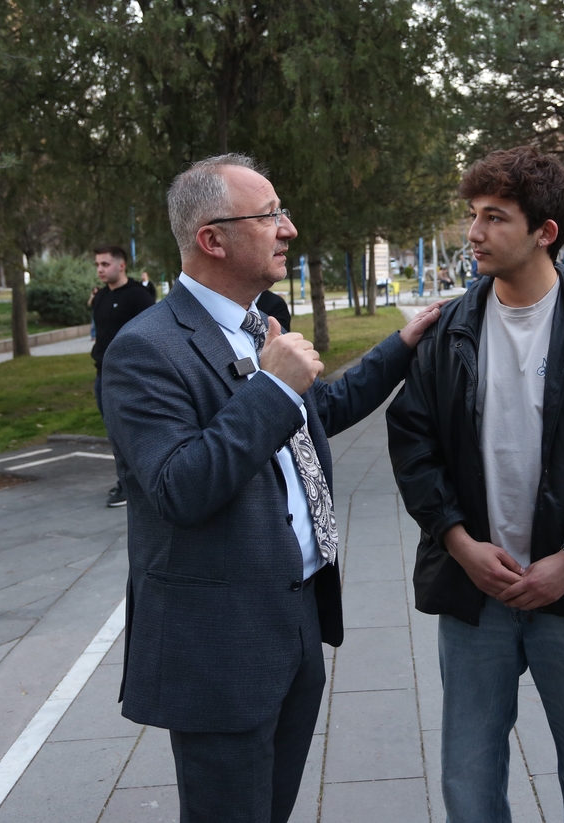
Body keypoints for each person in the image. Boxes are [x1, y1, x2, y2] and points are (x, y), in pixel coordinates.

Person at [101, 153, 442, 823]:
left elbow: (321, 410)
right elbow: (181, 486)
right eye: (270, 215)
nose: (287, 228)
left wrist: (401, 346)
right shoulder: (146, 348)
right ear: (213, 239)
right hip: (220, 649)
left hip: (293, 625)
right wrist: (274, 385)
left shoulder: (262, 326)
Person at [387, 146, 564, 823]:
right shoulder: (450, 330)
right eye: (471, 217)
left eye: (494, 218)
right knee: (469, 772)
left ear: (546, 232)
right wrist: (458, 542)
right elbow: (413, 442)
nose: (474, 234)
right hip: (474, 591)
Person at [91, 245, 155, 507]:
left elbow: (151, 335)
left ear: (121, 265)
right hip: (102, 375)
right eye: (97, 265)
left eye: (105, 264)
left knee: (133, 433)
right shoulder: (100, 298)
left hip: (131, 377)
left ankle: (134, 486)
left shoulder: (139, 297)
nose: (100, 269)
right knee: (113, 432)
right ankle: (126, 481)